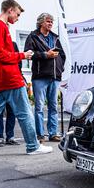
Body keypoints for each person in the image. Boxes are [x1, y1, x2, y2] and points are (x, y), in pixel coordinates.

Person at [0, 0, 52, 155]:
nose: (17, 17)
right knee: (25, 112)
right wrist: (22, 55)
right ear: (9, 10)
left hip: (0, 78)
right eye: (17, 13)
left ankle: (33, 145)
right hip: (9, 78)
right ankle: (33, 146)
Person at [24, 13, 66, 143]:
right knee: (39, 107)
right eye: (48, 21)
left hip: (55, 76)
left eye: (51, 22)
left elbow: (63, 55)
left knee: (53, 106)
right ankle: (40, 135)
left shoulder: (55, 37)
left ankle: (53, 134)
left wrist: (60, 69)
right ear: (41, 23)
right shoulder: (33, 36)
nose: (50, 24)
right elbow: (29, 54)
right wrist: (45, 55)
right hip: (40, 77)